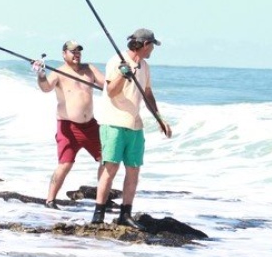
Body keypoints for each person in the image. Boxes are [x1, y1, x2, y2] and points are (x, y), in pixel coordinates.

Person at [91, 28, 172, 229]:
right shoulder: (115, 61)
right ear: (145, 45)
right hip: (114, 123)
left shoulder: (144, 66)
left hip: (135, 125)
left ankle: (125, 214)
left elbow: (148, 94)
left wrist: (159, 118)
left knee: (133, 170)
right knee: (110, 168)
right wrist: (122, 73)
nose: (153, 48)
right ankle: (98, 214)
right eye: (152, 45)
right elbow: (110, 91)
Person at [32, 40, 106, 210]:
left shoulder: (90, 69)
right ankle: (50, 200)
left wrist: (123, 76)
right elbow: (45, 88)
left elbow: (106, 84)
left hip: (90, 126)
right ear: (64, 54)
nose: (77, 54)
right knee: (65, 164)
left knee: (106, 161)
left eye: (79, 51)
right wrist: (41, 74)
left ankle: (101, 201)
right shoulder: (59, 72)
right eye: (72, 51)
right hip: (68, 127)